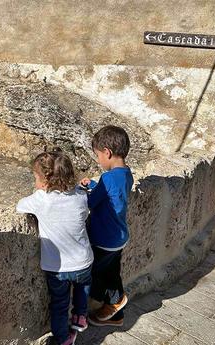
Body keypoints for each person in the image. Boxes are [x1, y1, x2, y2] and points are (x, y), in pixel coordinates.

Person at [16, 149, 94, 345]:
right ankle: (80, 317)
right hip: (83, 261)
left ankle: (62, 339)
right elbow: (84, 215)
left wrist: (38, 192)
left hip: (57, 268)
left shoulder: (41, 199)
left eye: (36, 177)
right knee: (82, 288)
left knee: (59, 304)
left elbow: (20, 206)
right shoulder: (80, 196)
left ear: (45, 181)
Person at [80, 125, 134, 327]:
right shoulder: (127, 174)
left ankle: (116, 300)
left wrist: (83, 192)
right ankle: (116, 316)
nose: (98, 161)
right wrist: (94, 186)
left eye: (97, 156)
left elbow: (91, 203)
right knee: (111, 272)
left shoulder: (108, 177)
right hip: (119, 237)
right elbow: (114, 194)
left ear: (107, 153)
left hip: (103, 238)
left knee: (94, 273)